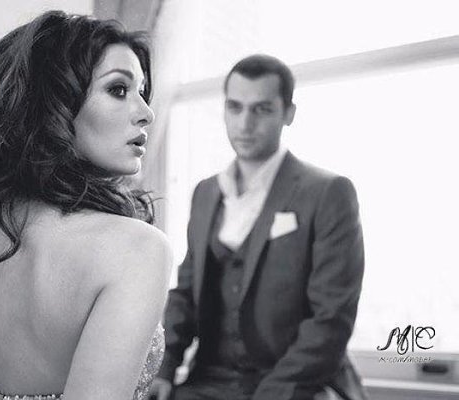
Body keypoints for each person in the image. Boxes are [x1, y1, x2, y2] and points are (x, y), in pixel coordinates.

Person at [0, 11, 172, 400]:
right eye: (118, 89)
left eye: (142, 92)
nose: (146, 112)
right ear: (50, 103)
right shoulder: (137, 249)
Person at [149, 55, 368, 400]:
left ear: (288, 113)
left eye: (262, 110)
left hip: (298, 385)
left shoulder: (329, 192)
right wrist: (164, 369)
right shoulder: (205, 193)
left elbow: (331, 319)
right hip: (208, 383)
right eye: (234, 107)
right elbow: (186, 295)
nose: (245, 123)